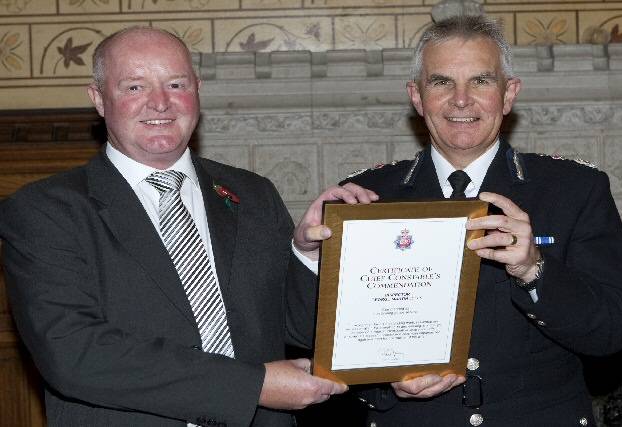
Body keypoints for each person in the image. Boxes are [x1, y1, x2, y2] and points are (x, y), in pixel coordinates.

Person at [0, 27, 378, 427]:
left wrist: (308, 254)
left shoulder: (252, 194)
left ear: (197, 90)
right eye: (134, 87)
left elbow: (297, 328)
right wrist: (252, 386)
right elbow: (73, 353)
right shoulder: (45, 211)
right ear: (98, 99)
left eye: (176, 84)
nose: (160, 103)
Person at [299, 15, 622, 426]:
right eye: (441, 82)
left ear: (509, 94)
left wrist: (534, 269)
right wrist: (383, 383)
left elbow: (613, 332)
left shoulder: (573, 190)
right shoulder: (367, 197)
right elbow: (319, 334)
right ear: (417, 97)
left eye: (481, 81)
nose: (461, 100)